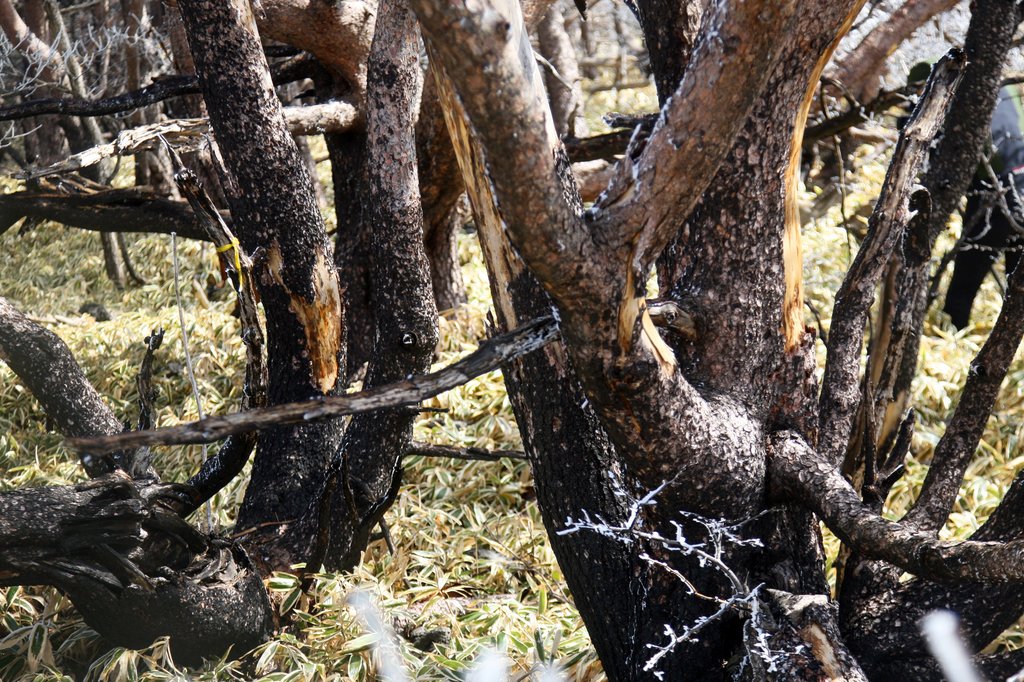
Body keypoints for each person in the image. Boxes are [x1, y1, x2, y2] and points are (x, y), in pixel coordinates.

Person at [942, 82, 1024, 329]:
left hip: (997, 194)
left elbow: (945, 161)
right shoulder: (1006, 88)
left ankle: (953, 338)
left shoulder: (956, 95)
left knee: (964, 285)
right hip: (1020, 182)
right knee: (1018, 290)